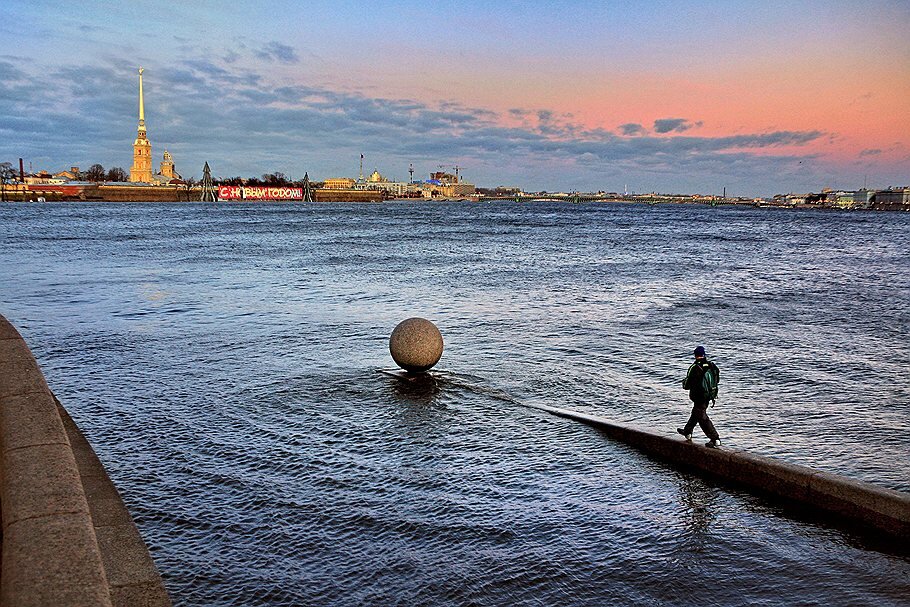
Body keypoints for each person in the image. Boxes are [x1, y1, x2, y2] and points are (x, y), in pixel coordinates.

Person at [677, 346, 721, 448]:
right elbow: (717, 379)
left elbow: (687, 384)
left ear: (695, 355)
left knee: (702, 417)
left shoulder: (694, 367)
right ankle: (687, 431)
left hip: (699, 396)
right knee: (696, 413)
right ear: (704, 354)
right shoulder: (711, 365)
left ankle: (715, 439)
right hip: (709, 395)